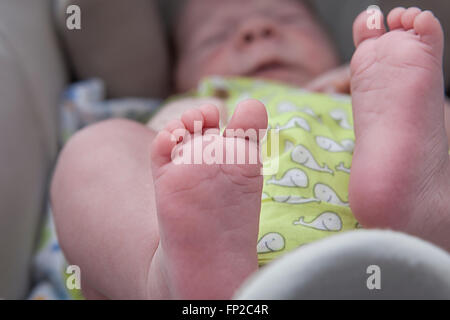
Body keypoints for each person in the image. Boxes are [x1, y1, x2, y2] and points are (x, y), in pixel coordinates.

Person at [51, 0, 450, 299]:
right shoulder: (196, 107)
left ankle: (427, 212)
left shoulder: (383, 81)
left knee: (435, 120)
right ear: (178, 75)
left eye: (286, 20)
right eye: (215, 37)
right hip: (227, 268)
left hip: (403, 268)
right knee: (98, 147)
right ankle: (165, 275)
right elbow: (140, 166)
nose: (256, 31)